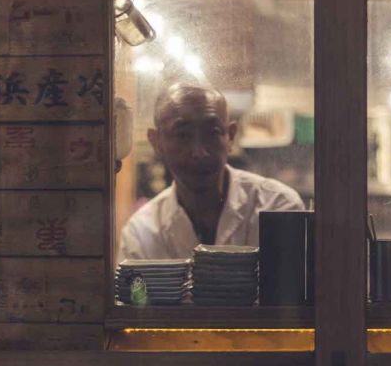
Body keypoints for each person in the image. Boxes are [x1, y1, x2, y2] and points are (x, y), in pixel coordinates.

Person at [119, 82, 304, 260]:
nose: (199, 151)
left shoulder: (277, 206)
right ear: (156, 142)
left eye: (212, 133)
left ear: (230, 136)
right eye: (183, 135)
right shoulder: (141, 233)